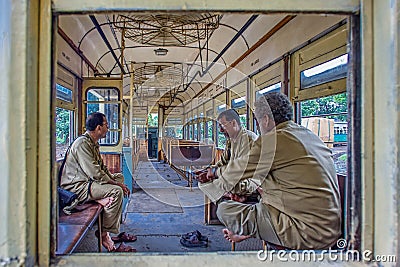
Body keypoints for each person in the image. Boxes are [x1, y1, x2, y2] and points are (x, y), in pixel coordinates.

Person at [201, 92, 341, 250]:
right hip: (329, 228)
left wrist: (213, 173)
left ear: (265, 119)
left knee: (224, 210)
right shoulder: (308, 135)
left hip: (306, 232)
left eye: (257, 120)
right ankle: (250, 232)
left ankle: (252, 232)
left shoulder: (272, 141)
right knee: (259, 204)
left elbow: (235, 171)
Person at [60, 112, 137, 252]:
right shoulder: (82, 144)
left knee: (119, 177)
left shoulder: (92, 143)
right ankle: (104, 234)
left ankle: (101, 202)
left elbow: (102, 168)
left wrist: (115, 180)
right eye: (106, 125)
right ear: (98, 128)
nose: (108, 128)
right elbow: (95, 173)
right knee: (116, 191)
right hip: (77, 187)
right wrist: (117, 185)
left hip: (87, 182)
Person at [204, 109, 259, 202]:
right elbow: (222, 162)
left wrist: (216, 173)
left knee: (223, 183)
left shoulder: (249, 139)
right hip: (234, 177)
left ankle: (235, 195)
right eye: (219, 127)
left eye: (223, 126)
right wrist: (208, 171)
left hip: (249, 180)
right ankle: (230, 194)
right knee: (205, 183)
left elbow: (242, 170)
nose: (221, 130)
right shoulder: (231, 140)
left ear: (233, 123)